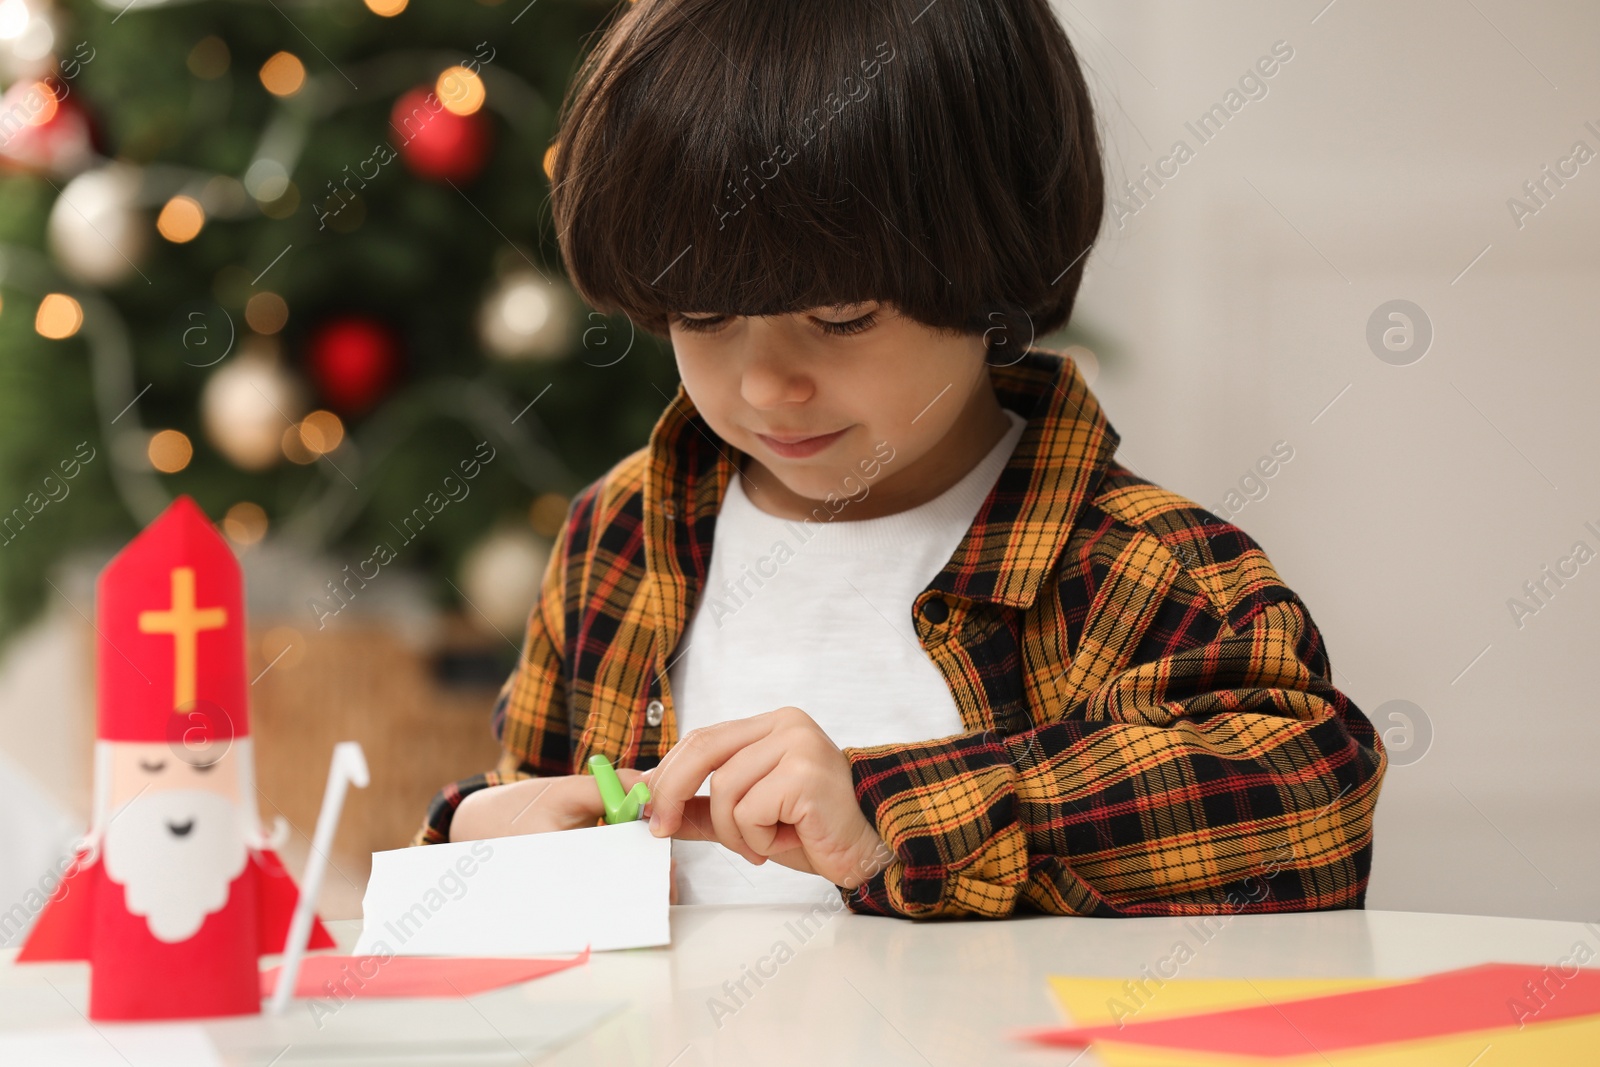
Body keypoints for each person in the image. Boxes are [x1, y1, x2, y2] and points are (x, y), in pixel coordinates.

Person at [415, 0, 1385, 919]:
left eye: (840, 317)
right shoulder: (619, 538)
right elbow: (535, 812)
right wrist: (477, 842)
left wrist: (888, 816)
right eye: (702, 317)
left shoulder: (1138, 568)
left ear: (992, 264)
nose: (764, 385)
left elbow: (1309, 807)